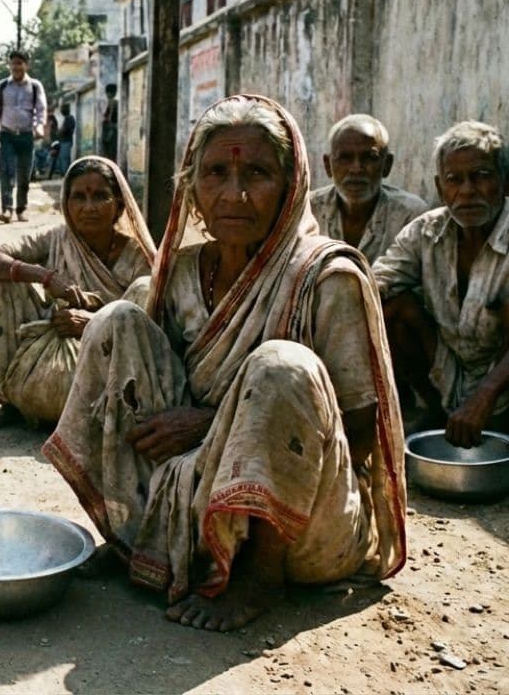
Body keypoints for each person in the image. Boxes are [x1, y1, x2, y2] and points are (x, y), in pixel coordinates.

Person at [42, 94, 406, 632]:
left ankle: (258, 577)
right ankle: (132, 538)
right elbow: (153, 390)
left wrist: (216, 427)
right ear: (192, 188)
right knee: (118, 319)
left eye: (256, 172)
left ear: (291, 185)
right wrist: (203, 437)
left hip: (306, 520)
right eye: (215, 173)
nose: (234, 193)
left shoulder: (327, 277)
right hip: (198, 500)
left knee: (282, 365)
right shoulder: (183, 272)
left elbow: (357, 428)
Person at [0, 157, 155, 428]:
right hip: (53, 339)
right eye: (79, 197)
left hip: (105, 359)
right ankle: (13, 402)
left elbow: (149, 325)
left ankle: (108, 413)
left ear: (119, 205)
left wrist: (92, 323)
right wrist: (45, 276)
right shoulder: (57, 239)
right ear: (66, 203)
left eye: (100, 196)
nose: (89, 207)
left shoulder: (136, 256)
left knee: (146, 290)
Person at [373, 120, 509, 446]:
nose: (467, 191)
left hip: (502, 380)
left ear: (505, 182)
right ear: (439, 188)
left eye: (481, 177)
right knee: (389, 307)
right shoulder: (426, 232)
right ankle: (439, 413)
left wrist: (485, 396)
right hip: (449, 371)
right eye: (454, 180)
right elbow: (374, 283)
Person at [310, 114, 428, 263]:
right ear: (328, 165)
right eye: (345, 157)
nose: (356, 169)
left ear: (387, 165)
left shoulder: (411, 216)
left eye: (369, 157)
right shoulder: (308, 210)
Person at [0, 50, 47, 224]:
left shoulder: (35, 86)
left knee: (24, 175)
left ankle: (21, 209)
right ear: (10, 65)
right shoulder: (2, 86)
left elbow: (41, 109)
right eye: (13, 63)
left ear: (26, 65)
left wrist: (39, 125)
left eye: (19, 63)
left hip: (26, 135)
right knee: (6, 173)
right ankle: (7, 209)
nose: (16, 67)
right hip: (7, 134)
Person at [53, 103, 77, 179]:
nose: (61, 111)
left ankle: (66, 176)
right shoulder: (69, 118)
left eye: (62, 109)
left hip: (66, 141)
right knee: (64, 158)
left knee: (64, 159)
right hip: (66, 141)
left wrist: (59, 132)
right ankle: (66, 175)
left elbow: (65, 130)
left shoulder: (69, 118)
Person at [101, 83, 119, 161]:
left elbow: (110, 117)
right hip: (110, 129)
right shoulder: (113, 102)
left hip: (109, 130)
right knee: (110, 154)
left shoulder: (113, 102)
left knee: (109, 153)